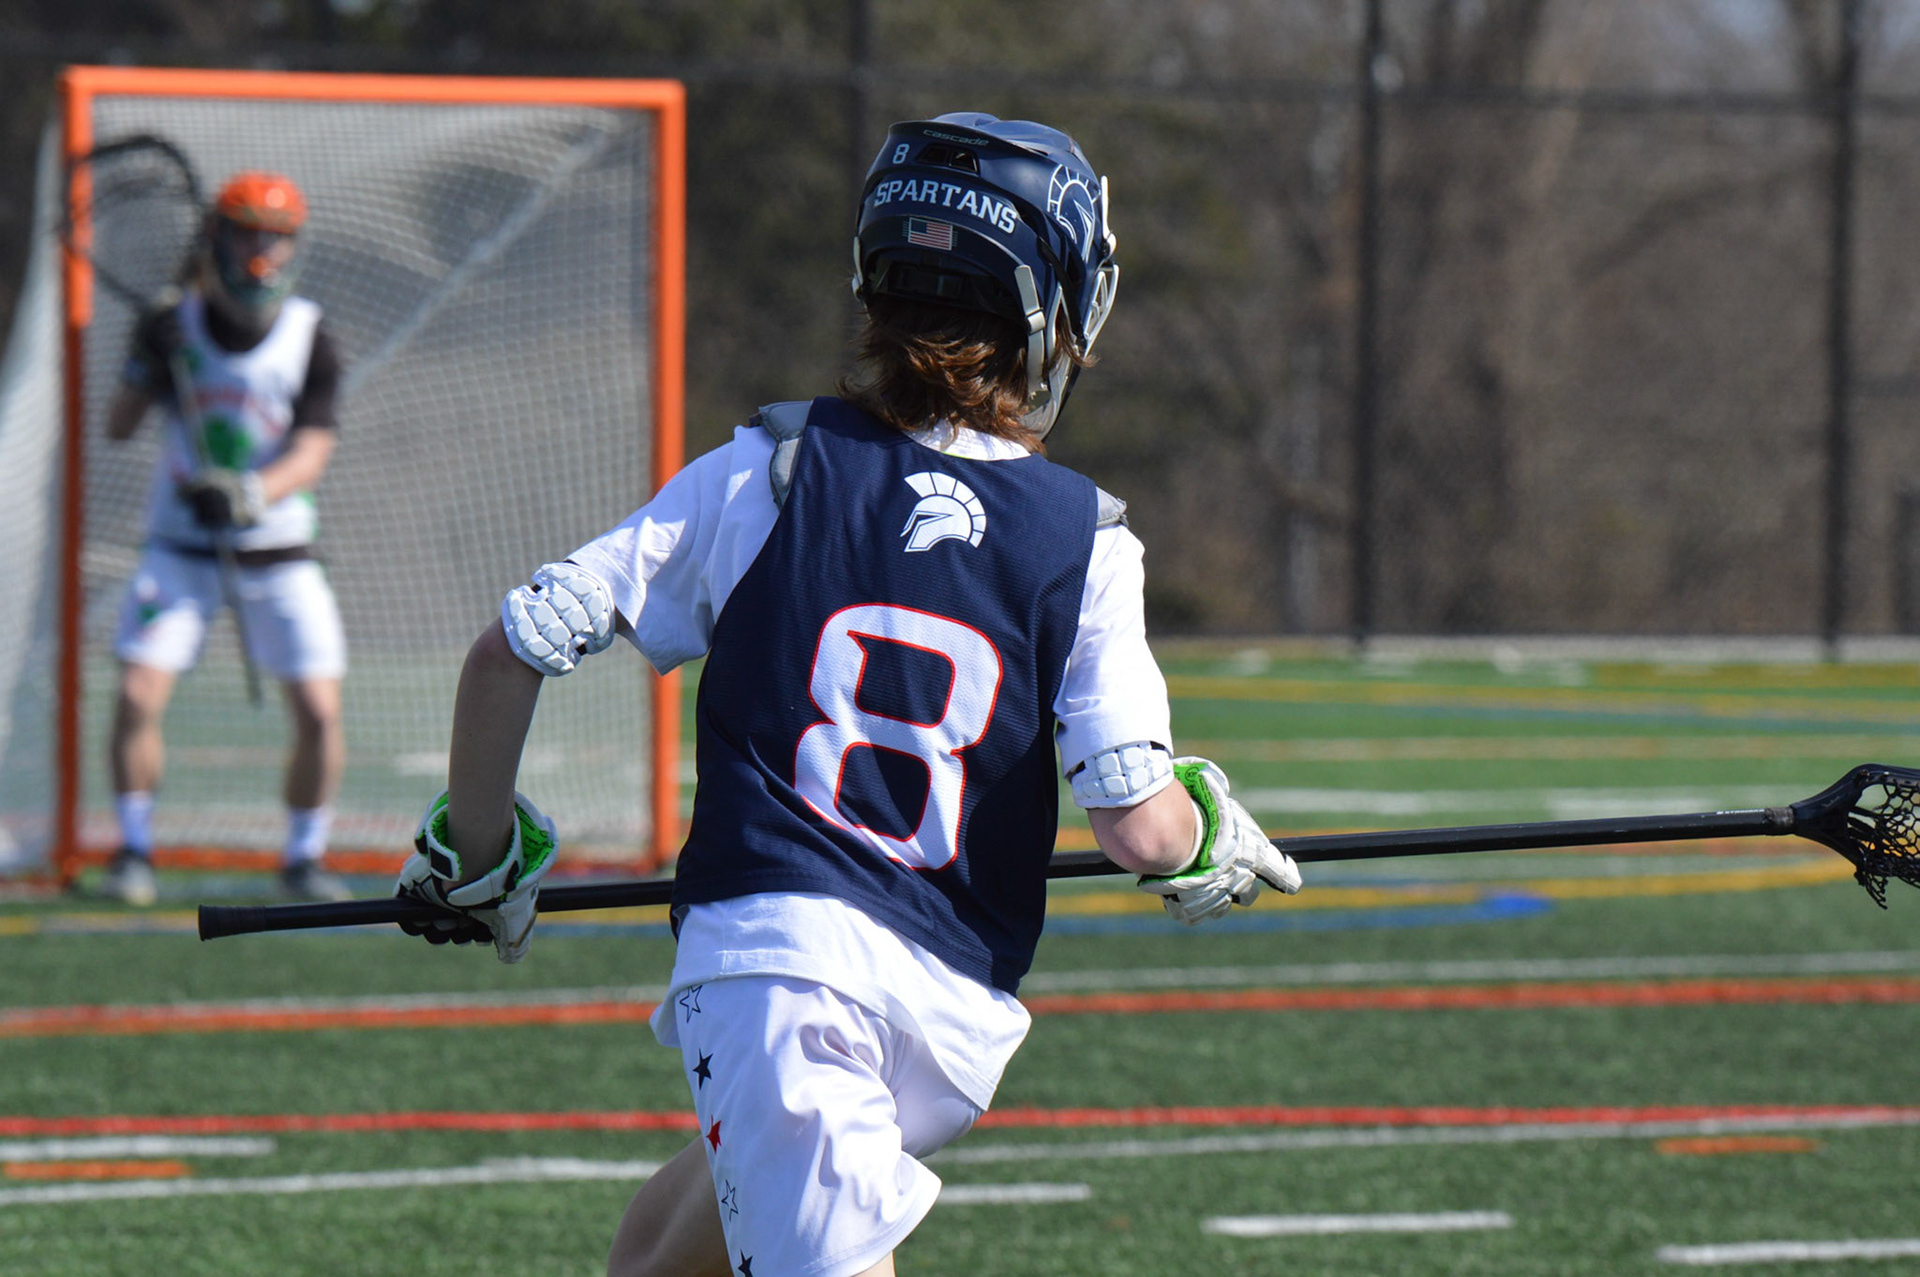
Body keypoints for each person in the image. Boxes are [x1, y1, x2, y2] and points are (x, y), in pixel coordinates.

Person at [391, 113, 1303, 1277]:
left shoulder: (768, 470)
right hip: (937, 1007)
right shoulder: (1088, 537)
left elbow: (509, 650)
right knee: (662, 1252)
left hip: (783, 977)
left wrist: (477, 857)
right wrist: (1207, 822)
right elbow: (1142, 826)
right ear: (1056, 311)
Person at [101, 171, 351, 907]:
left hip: (278, 549)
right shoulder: (171, 325)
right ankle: (133, 850)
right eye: (249, 233)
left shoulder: (310, 336)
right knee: (137, 695)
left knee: (319, 709)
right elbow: (118, 425)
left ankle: (303, 856)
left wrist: (249, 494)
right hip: (179, 547)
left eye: (277, 236)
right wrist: (145, 360)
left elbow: (311, 451)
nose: (262, 250)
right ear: (218, 236)